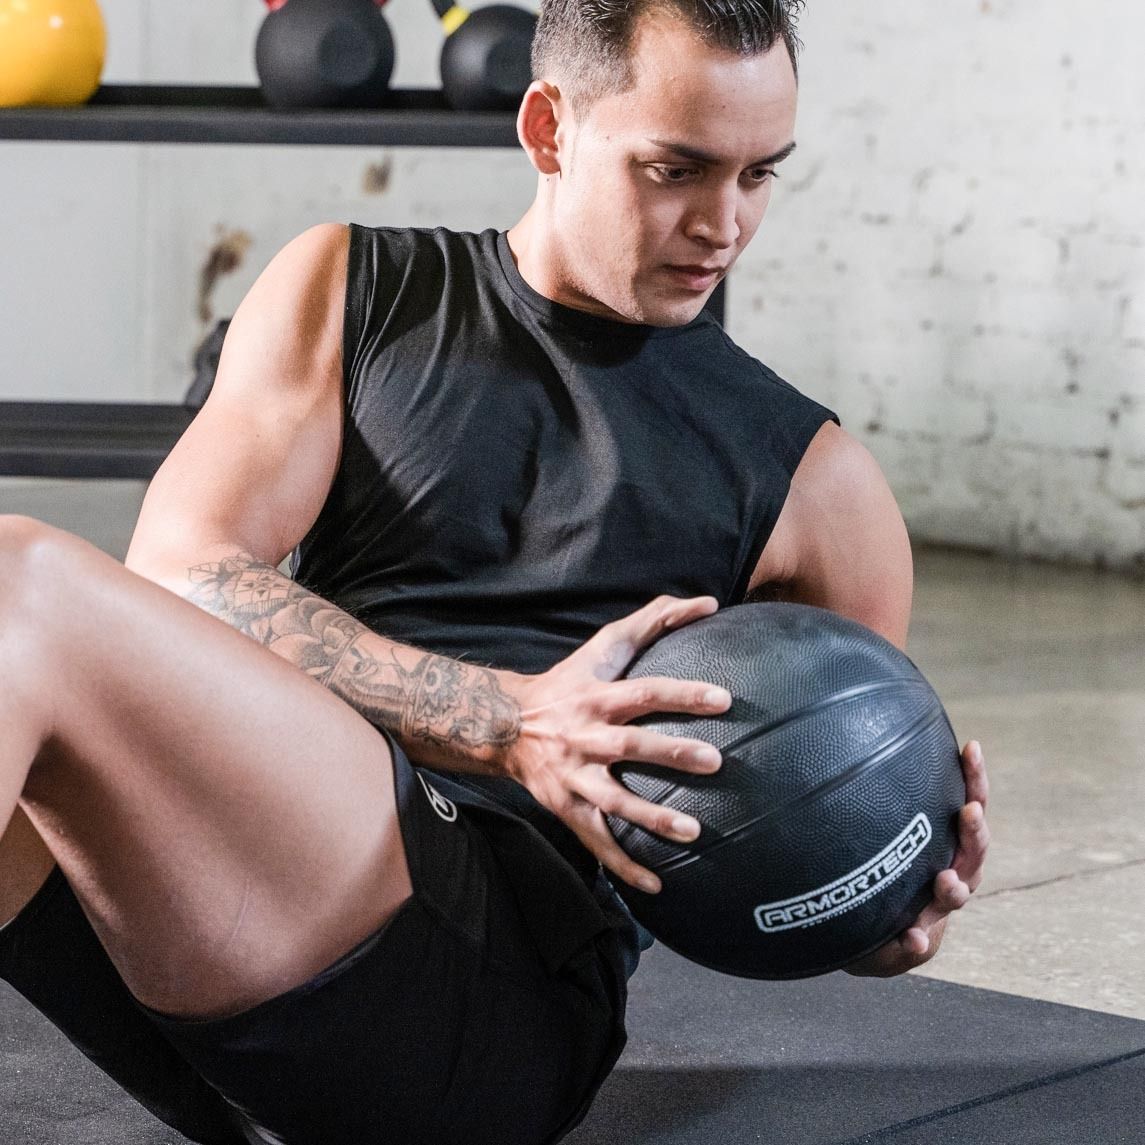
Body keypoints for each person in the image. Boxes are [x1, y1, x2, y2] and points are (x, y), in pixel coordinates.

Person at [0, 2, 990, 1142]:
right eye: (674, 169)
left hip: (494, 998)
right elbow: (184, 573)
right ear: (546, 128)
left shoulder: (815, 484)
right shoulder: (352, 288)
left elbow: (813, 836)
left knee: (20, 582)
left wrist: (876, 914)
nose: (722, 225)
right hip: (246, 920)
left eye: (758, 174)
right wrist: (510, 719)